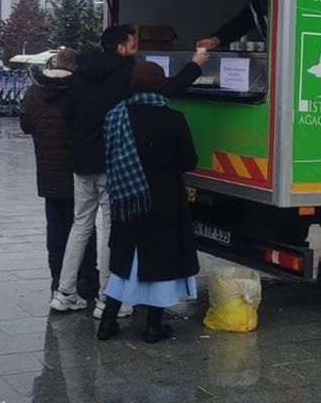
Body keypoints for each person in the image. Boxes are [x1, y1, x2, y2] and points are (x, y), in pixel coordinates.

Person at [51, 25, 207, 318]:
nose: (136, 48)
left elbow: (69, 115)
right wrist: (196, 65)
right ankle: (107, 298)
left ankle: (64, 292)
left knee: (80, 225)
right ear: (120, 49)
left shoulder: (82, 73)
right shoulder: (126, 73)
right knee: (112, 230)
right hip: (112, 163)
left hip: (82, 162)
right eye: (133, 44)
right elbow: (169, 87)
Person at [96, 61, 200, 344]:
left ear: (133, 85)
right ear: (160, 85)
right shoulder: (173, 118)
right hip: (164, 198)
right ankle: (154, 326)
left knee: (124, 260)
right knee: (160, 259)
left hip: (126, 199)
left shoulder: (116, 115)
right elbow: (189, 161)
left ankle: (107, 323)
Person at [19, 48, 98, 299]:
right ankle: (86, 279)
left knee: (55, 227)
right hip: (78, 171)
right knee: (84, 226)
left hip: (49, 172)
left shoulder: (34, 91)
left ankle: (57, 278)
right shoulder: (81, 91)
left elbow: (25, 125)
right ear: (74, 66)